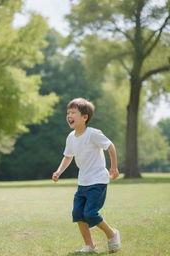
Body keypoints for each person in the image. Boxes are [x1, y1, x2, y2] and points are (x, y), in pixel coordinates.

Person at [52, 98, 121, 253]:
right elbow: (68, 156)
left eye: (73, 112)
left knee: (89, 213)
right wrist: (58, 171)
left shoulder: (93, 134)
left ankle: (112, 234)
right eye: (68, 112)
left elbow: (110, 146)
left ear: (84, 117)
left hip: (98, 180)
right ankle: (90, 245)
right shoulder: (70, 137)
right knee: (78, 213)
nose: (69, 115)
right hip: (83, 182)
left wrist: (114, 167)